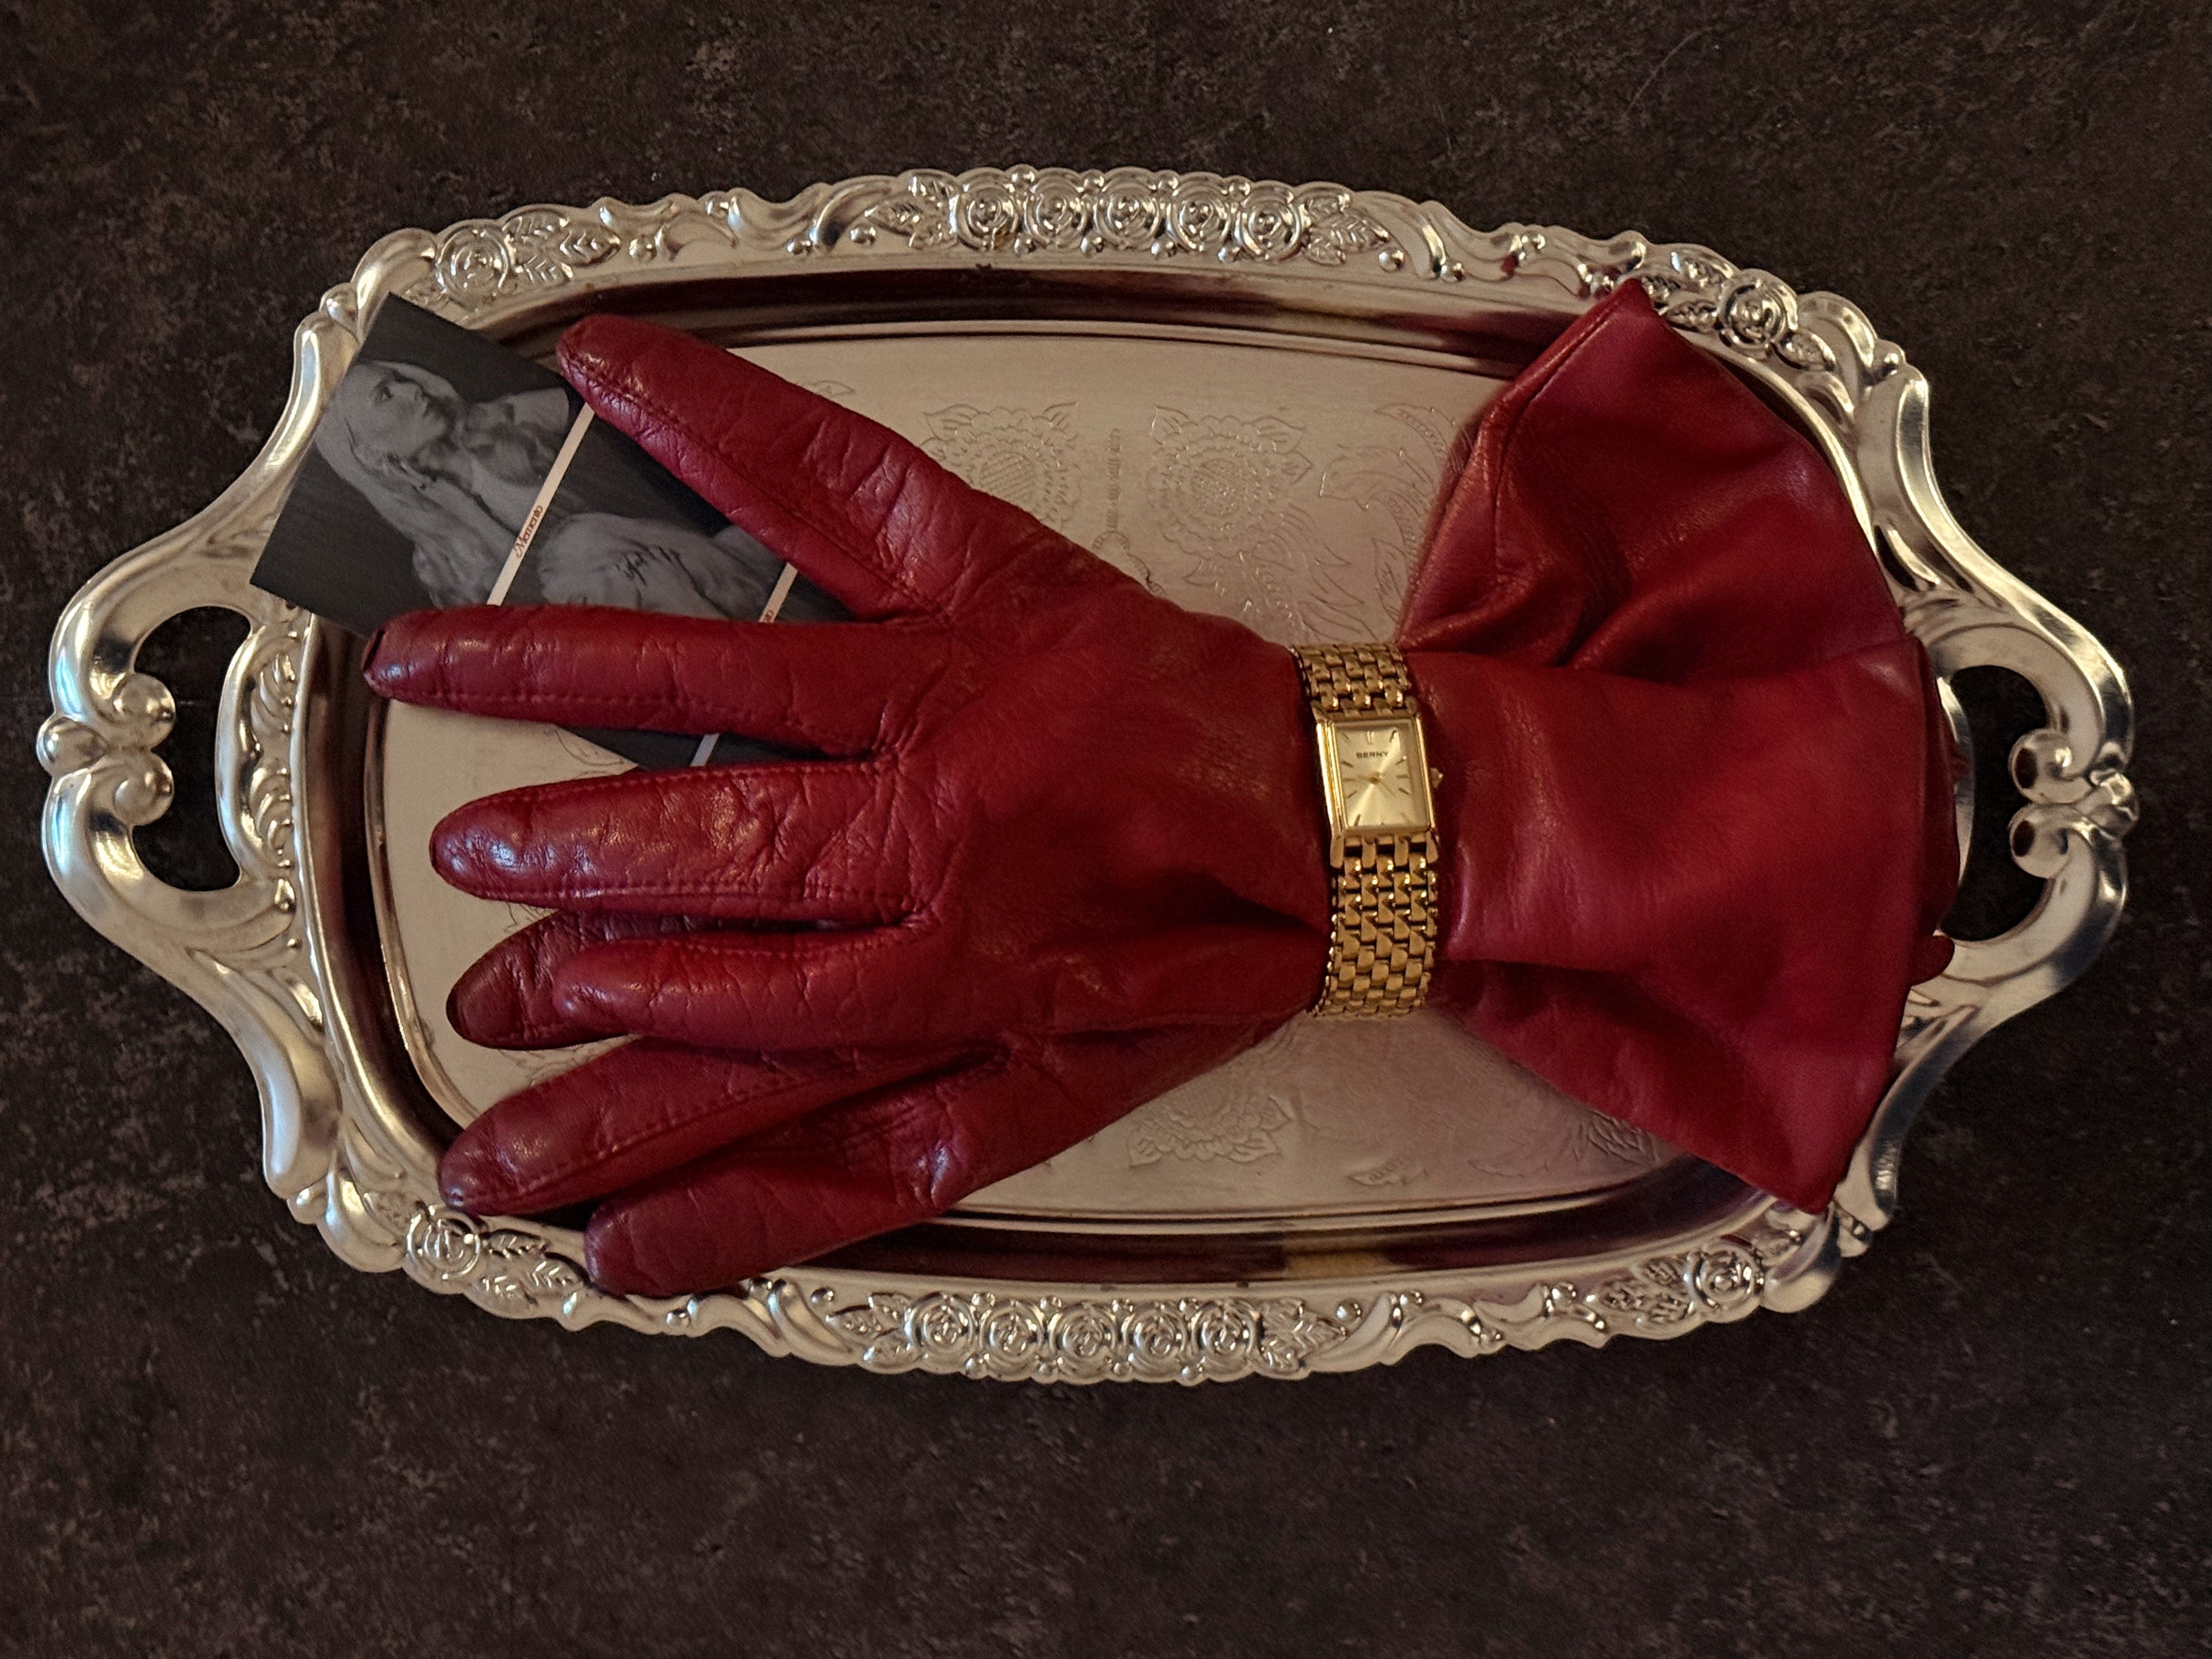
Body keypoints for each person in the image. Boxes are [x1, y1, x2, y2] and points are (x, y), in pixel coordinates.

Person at [314, 358, 782, 619]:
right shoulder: (439, 563)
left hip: (698, 559)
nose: (412, 391)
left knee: (579, 540)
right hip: (637, 635)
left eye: (399, 381)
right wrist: (458, 507)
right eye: (385, 396)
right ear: (370, 456)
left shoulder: (507, 419)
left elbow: (643, 409)